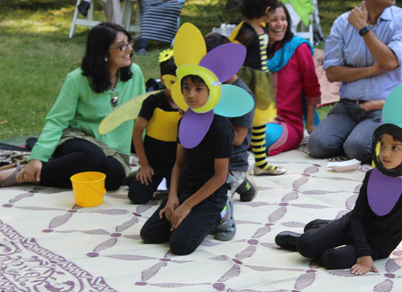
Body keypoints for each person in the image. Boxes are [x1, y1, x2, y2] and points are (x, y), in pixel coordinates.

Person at [275, 125, 402, 273]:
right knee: (306, 245)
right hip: (355, 224)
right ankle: (319, 233)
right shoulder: (373, 176)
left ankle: (322, 232)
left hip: (379, 243)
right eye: (383, 145)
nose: (385, 153)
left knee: (331, 259)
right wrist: (360, 250)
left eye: (394, 147)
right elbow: (357, 216)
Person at [0, 23, 145, 190]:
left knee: (114, 178)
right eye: (121, 46)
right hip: (77, 137)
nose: (129, 50)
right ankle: (20, 175)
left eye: (129, 43)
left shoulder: (135, 73)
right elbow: (57, 120)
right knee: (93, 158)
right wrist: (37, 157)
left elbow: (140, 116)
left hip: (114, 149)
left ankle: (35, 173)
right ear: (104, 53)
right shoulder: (77, 79)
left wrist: (147, 158)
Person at [308, 0, 402, 163]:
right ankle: (358, 136)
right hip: (348, 106)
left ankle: (370, 138)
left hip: (384, 108)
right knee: (317, 145)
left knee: (357, 148)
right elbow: (332, 73)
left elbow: (390, 62)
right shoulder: (343, 22)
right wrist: (372, 70)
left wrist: (363, 29)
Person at [140, 74, 234, 255]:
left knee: (180, 245)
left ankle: (221, 214)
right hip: (185, 190)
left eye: (198, 89)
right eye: (186, 88)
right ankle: (189, 214)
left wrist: (187, 206)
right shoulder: (185, 121)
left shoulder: (221, 127)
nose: (191, 94)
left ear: (211, 92)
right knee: (149, 234)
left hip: (211, 196)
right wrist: (173, 197)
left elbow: (220, 176)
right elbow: (179, 163)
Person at [230, 0, 286, 175]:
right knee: (244, 122)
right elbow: (231, 52)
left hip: (260, 81)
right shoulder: (246, 31)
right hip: (248, 82)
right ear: (266, 10)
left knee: (260, 122)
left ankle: (260, 163)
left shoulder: (259, 27)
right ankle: (236, 162)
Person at [204, 33, 257, 241]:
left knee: (212, 200)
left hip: (232, 160)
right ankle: (243, 185)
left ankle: (227, 220)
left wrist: (208, 120)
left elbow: (237, 138)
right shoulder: (208, 86)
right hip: (209, 158)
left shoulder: (242, 95)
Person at [266, 2, 321, 155]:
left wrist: (310, 125)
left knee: (263, 136)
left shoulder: (298, 48)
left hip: (286, 123)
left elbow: (312, 88)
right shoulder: (256, 50)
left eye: (283, 19)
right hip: (257, 119)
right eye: (273, 20)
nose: (279, 24)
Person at [128, 49, 181, 204]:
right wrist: (144, 165)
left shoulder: (189, 105)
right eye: (172, 82)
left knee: (182, 197)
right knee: (137, 197)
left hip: (177, 165)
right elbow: (137, 133)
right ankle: (135, 175)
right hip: (153, 163)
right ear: (163, 80)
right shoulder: (152, 102)